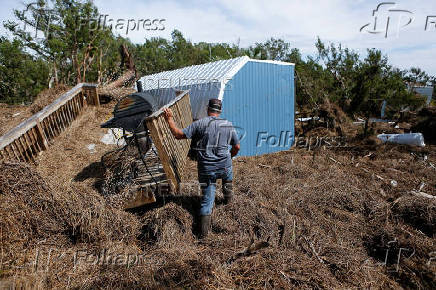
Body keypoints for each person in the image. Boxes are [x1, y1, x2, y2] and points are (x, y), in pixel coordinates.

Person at [163, 98, 240, 238]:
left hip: (207, 169)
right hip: (224, 165)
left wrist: (169, 119)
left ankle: (203, 236)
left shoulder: (199, 124)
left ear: (207, 109)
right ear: (220, 110)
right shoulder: (228, 125)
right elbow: (237, 147)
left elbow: (178, 134)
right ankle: (229, 203)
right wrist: (229, 156)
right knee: (228, 180)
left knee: (207, 201)